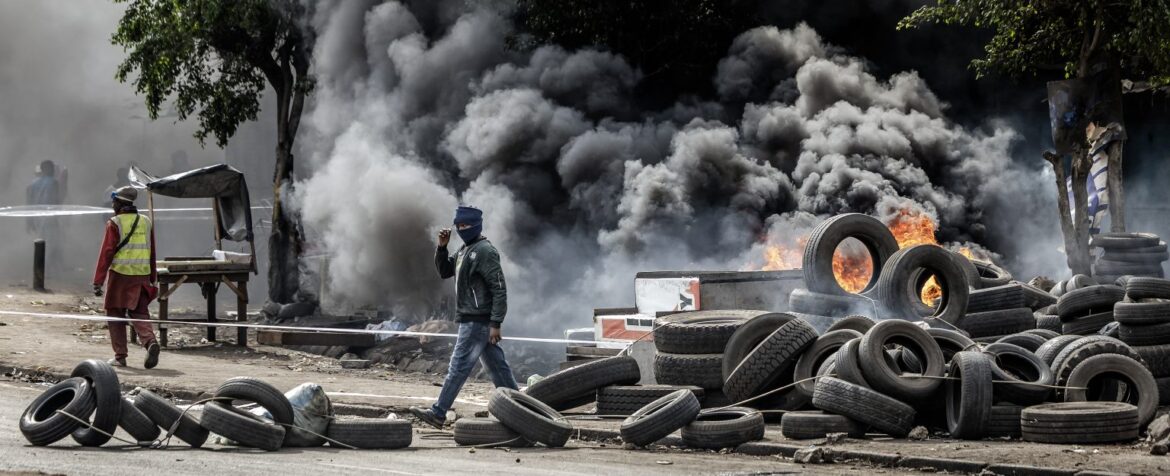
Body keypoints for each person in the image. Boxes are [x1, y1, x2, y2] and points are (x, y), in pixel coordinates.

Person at [410, 206, 516, 428]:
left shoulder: (485, 251)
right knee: (498, 369)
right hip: (474, 320)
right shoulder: (464, 250)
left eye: (466, 225)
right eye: (459, 225)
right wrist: (441, 248)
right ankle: (522, 411)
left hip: (477, 321)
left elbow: (499, 289)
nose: (462, 229)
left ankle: (438, 413)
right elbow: (445, 271)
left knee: (457, 367)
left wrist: (496, 323)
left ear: (476, 225)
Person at [93, 186, 161, 368]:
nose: (112, 205)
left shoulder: (114, 223)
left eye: (114, 202)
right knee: (139, 312)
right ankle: (150, 342)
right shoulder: (146, 221)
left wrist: (98, 281)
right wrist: (153, 276)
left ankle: (120, 356)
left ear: (119, 203)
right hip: (142, 275)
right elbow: (152, 250)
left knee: (115, 313)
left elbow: (106, 253)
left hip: (120, 275)